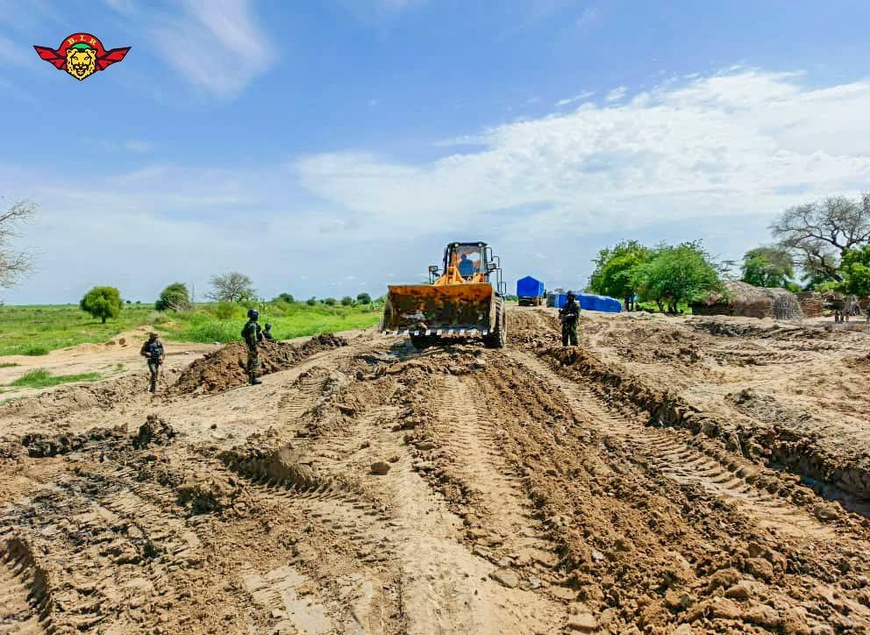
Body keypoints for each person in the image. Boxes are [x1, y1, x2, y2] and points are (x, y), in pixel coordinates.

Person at [241, 308, 264, 385]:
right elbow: (253, 337)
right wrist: (255, 347)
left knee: (250, 362)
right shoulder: (253, 325)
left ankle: (249, 379)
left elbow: (243, 334)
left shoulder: (248, 324)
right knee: (256, 362)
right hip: (251, 345)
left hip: (248, 345)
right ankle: (253, 379)